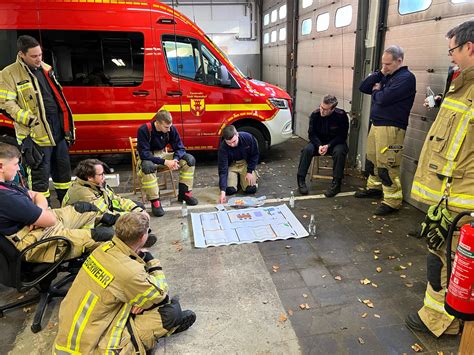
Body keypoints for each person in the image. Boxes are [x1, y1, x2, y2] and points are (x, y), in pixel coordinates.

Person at [405, 20, 474, 338]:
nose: (451, 58)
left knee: (449, 262)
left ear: (469, 48)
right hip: (452, 198)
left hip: (463, 202)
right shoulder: (462, 85)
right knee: (443, 259)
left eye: (452, 51)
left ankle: (443, 321)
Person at [53, 212, 197, 354]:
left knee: (137, 299)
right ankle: (164, 330)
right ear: (142, 237)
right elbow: (161, 295)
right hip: (94, 349)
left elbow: (117, 283)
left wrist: (137, 299)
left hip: (71, 339)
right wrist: (151, 261)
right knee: (171, 312)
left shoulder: (102, 249)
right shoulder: (131, 273)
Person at [0, 143, 114, 263]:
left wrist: (39, 213)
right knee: (105, 236)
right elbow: (50, 220)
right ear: (1, 166)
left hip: (40, 227)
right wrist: (41, 215)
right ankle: (81, 248)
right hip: (36, 242)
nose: (18, 168)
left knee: (87, 209)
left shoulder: (6, 185)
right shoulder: (7, 198)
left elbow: (37, 195)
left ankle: (79, 246)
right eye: (15, 164)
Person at [0, 35, 75, 204]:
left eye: (40, 54)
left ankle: (66, 207)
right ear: (21, 55)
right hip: (35, 133)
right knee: (39, 177)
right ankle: (41, 212)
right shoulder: (9, 73)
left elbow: (58, 99)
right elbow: (5, 104)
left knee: (63, 173)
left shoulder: (46, 68)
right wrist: (28, 119)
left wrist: (67, 128)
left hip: (57, 130)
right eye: (34, 56)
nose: (38, 59)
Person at [356, 45, 416, 215]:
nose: (385, 67)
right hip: (377, 124)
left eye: (388, 64)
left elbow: (383, 99)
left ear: (399, 61)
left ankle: (392, 201)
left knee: (387, 165)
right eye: (383, 63)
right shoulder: (387, 75)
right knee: (373, 159)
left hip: (392, 127)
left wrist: (378, 91)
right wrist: (380, 74)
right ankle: (374, 188)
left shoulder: (406, 78)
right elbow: (364, 87)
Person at [62, 158, 157, 247]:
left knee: (137, 206)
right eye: (101, 174)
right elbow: (105, 215)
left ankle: (138, 235)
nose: (104, 176)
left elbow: (116, 199)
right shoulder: (82, 192)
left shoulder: (95, 183)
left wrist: (136, 209)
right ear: (90, 177)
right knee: (110, 232)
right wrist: (133, 218)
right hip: (85, 227)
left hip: (101, 215)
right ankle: (134, 239)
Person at [137, 110, 198, 217]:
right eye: (166, 127)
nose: (169, 129)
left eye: (170, 126)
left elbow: (180, 148)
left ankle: (184, 194)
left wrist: (175, 159)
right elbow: (144, 155)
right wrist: (165, 162)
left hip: (163, 155)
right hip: (148, 158)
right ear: (158, 123)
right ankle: (155, 201)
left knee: (189, 159)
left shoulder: (171, 128)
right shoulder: (144, 130)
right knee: (147, 166)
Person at [296, 95, 349, 197]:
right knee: (307, 150)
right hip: (318, 143)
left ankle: (336, 184)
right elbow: (311, 134)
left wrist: (328, 145)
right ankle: (301, 180)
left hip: (335, 143)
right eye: (321, 107)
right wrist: (319, 145)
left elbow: (342, 136)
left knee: (340, 152)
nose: (322, 110)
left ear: (333, 109)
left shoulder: (341, 115)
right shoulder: (315, 115)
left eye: (325, 109)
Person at [218, 125, 259, 204]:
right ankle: (236, 181)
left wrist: (250, 171)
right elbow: (223, 169)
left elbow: (255, 155)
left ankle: (250, 176)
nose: (232, 145)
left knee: (251, 189)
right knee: (229, 191)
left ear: (237, 135)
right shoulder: (223, 147)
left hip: (245, 163)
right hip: (232, 165)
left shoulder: (248, 138)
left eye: (234, 141)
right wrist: (222, 191)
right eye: (229, 143)